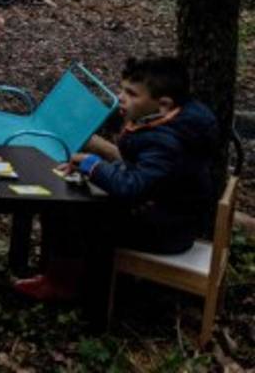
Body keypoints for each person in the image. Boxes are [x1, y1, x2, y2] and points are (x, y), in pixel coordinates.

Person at [14, 55, 220, 301]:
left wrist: (93, 165)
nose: (121, 97)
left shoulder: (167, 143)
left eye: (132, 94)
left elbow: (132, 187)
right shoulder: (174, 120)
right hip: (165, 216)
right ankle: (59, 274)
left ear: (164, 104)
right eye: (122, 90)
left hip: (164, 231)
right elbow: (147, 177)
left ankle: (65, 285)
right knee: (72, 194)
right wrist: (100, 170)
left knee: (67, 208)